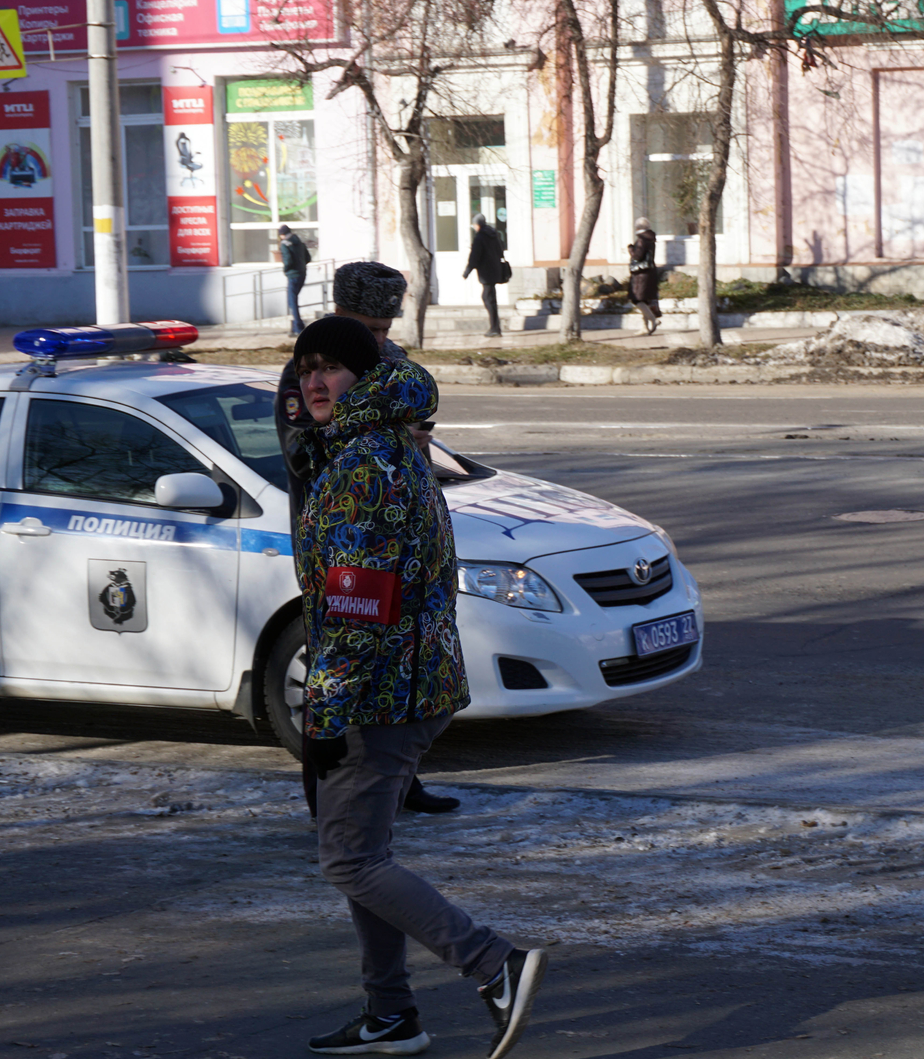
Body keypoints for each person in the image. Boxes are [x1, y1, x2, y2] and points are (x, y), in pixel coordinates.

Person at [292, 315, 547, 1059]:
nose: (314, 380)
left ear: (365, 380)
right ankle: (390, 1013)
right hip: (410, 684)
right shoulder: (391, 448)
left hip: (377, 696)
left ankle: (493, 963)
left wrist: (327, 710)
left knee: (350, 860)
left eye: (332, 368)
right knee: (362, 852)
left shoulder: (363, 467)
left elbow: (357, 604)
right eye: (307, 366)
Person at [275, 261, 460, 815]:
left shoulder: (390, 367)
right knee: (332, 656)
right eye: (369, 329)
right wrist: (374, 430)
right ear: (342, 315)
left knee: (393, 654)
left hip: (385, 535)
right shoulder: (311, 371)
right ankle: (325, 795)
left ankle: (400, 783)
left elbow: (413, 438)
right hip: (332, 533)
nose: (379, 341)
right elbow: (303, 451)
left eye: (385, 329)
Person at [462, 214, 504, 338]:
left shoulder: (480, 237)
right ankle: (495, 327)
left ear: (478, 224)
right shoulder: (493, 234)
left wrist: (467, 271)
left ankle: (495, 328)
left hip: (486, 273)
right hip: (495, 270)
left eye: (474, 225)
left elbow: (475, 256)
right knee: (490, 298)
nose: (474, 227)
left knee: (488, 298)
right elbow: (500, 251)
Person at [627, 218, 661, 334]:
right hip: (650, 272)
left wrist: (631, 249)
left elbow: (637, 256)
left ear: (638, 228)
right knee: (644, 300)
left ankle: (653, 319)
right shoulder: (650, 238)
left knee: (637, 299)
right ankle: (644, 327)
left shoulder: (642, 240)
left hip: (640, 275)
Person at [280, 225, 312, 336]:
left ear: (282, 234)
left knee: (292, 302)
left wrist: (285, 270)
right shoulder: (300, 243)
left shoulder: (284, 244)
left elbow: (288, 260)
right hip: (302, 274)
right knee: (292, 301)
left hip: (293, 275)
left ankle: (299, 327)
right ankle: (295, 326)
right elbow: (308, 258)